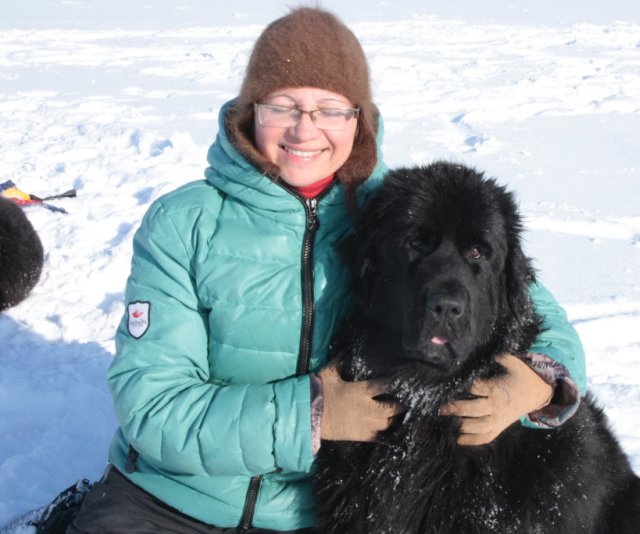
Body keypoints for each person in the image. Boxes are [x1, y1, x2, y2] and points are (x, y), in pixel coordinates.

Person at [66, 7, 586, 533]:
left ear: (359, 119)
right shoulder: (186, 223)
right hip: (173, 498)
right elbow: (153, 409)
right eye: (283, 105)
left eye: (330, 109)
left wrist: (541, 383)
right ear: (250, 112)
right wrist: (314, 415)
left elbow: (526, 301)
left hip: (312, 510)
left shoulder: (394, 211)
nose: (305, 129)